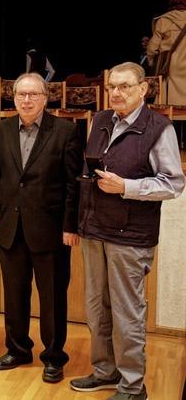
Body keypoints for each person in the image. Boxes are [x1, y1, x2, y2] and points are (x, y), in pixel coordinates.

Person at [71, 62, 185, 400]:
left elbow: (173, 183)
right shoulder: (102, 120)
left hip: (130, 237)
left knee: (127, 313)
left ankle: (133, 386)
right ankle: (105, 371)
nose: (117, 93)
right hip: (95, 230)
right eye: (112, 87)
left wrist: (127, 186)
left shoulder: (159, 127)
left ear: (143, 89)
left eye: (125, 86)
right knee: (96, 307)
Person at [0, 73, 82, 383]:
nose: (26, 100)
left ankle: (54, 356)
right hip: (10, 227)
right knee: (14, 294)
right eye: (21, 95)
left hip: (51, 230)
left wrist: (70, 225)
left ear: (45, 97)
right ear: (13, 98)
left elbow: (73, 183)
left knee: (52, 297)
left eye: (33, 94)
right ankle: (18, 349)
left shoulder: (66, 131)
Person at [145, 0, 186, 105]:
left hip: (171, 67)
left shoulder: (164, 20)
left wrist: (152, 63)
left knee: (169, 103)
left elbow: (152, 49)